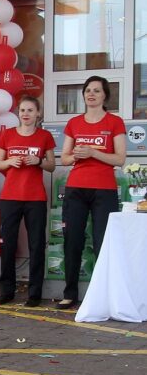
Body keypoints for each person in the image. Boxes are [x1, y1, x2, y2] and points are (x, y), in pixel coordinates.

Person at [58, 76, 125, 309]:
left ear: (105, 95)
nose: (91, 94)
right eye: (88, 90)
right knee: (72, 241)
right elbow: (64, 158)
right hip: (76, 188)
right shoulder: (74, 123)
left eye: (96, 90)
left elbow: (120, 158)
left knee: (102, 244)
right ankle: (70, 293)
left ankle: (103, 296)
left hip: (104, 190)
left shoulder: (115, 122)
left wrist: (93, 153)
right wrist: (78, 155)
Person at [0, 96, 55, 306]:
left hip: (35, 198)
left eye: (30, 110)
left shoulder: (44, 136)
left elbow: (51, 165)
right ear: (18, 113)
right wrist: (10, 161)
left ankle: (34, 293)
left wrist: (38, 161)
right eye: (22, 110)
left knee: (36, 245)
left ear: (38, 113)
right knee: (7, 245)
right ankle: (7, 290)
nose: (26, 114)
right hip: (10, 197)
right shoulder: (8, 135)